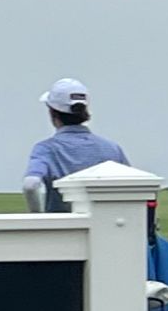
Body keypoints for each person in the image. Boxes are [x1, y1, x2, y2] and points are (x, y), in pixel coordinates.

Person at [21, 78, 128, 212]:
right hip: (107, 227)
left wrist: (38, 218)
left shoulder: (46, 149)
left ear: (52, 112)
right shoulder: (112, 148)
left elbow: (30, 185)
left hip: (63, 229)